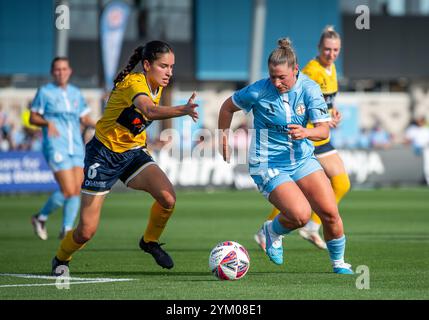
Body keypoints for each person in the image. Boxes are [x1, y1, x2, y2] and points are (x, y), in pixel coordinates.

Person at [51, 41, 199, 274]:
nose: (169, 72)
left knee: (168, 199)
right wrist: (184, 109)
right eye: (164, 66)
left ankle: (149, 241)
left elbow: (131, 123)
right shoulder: (134, 83)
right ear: (147, 65)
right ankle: (61, 258)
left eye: (172, 66)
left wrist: (150, 142)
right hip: (103, 155)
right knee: (86, 231)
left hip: (133, 154)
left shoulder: (156, 84)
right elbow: (148, 111)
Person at [218, 38, 353, 274]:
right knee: (300, 215)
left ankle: (339, 263)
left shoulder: (310, 88)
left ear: (295, 70)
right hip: (268, 163)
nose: (277, 82)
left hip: (302, 159)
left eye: (282, 77)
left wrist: (307, 132)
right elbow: (227, 107)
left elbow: (323, 129)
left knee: (330, 213)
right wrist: (223, 136)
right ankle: (271, 231)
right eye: (273, 76)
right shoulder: (258, 90)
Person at [254, 26, 350, 250]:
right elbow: (299, 99)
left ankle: (307, 227)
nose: (331, 54)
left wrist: (331, 113)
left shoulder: (331, 69)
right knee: (296, 189)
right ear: (319, 49)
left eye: (336, 50)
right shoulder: (311, 71)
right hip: (304, 135)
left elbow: (324, 102)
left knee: (341, 183)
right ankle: (273, 229)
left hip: (318, 134)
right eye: (327, 49)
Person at [30, 57, 96, 240]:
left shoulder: (75, 93)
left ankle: (66, 229)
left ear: (70, 71)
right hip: (55, 145)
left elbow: (84, 119)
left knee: (76, 189)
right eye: (57, 69)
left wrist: (102, 126)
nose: (61, 72)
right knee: (68, 190)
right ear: (53, 72)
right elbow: (32, 118)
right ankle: (40, 217)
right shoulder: (45, 92)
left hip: (75, 146)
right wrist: (46, 122)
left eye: (64, 69)